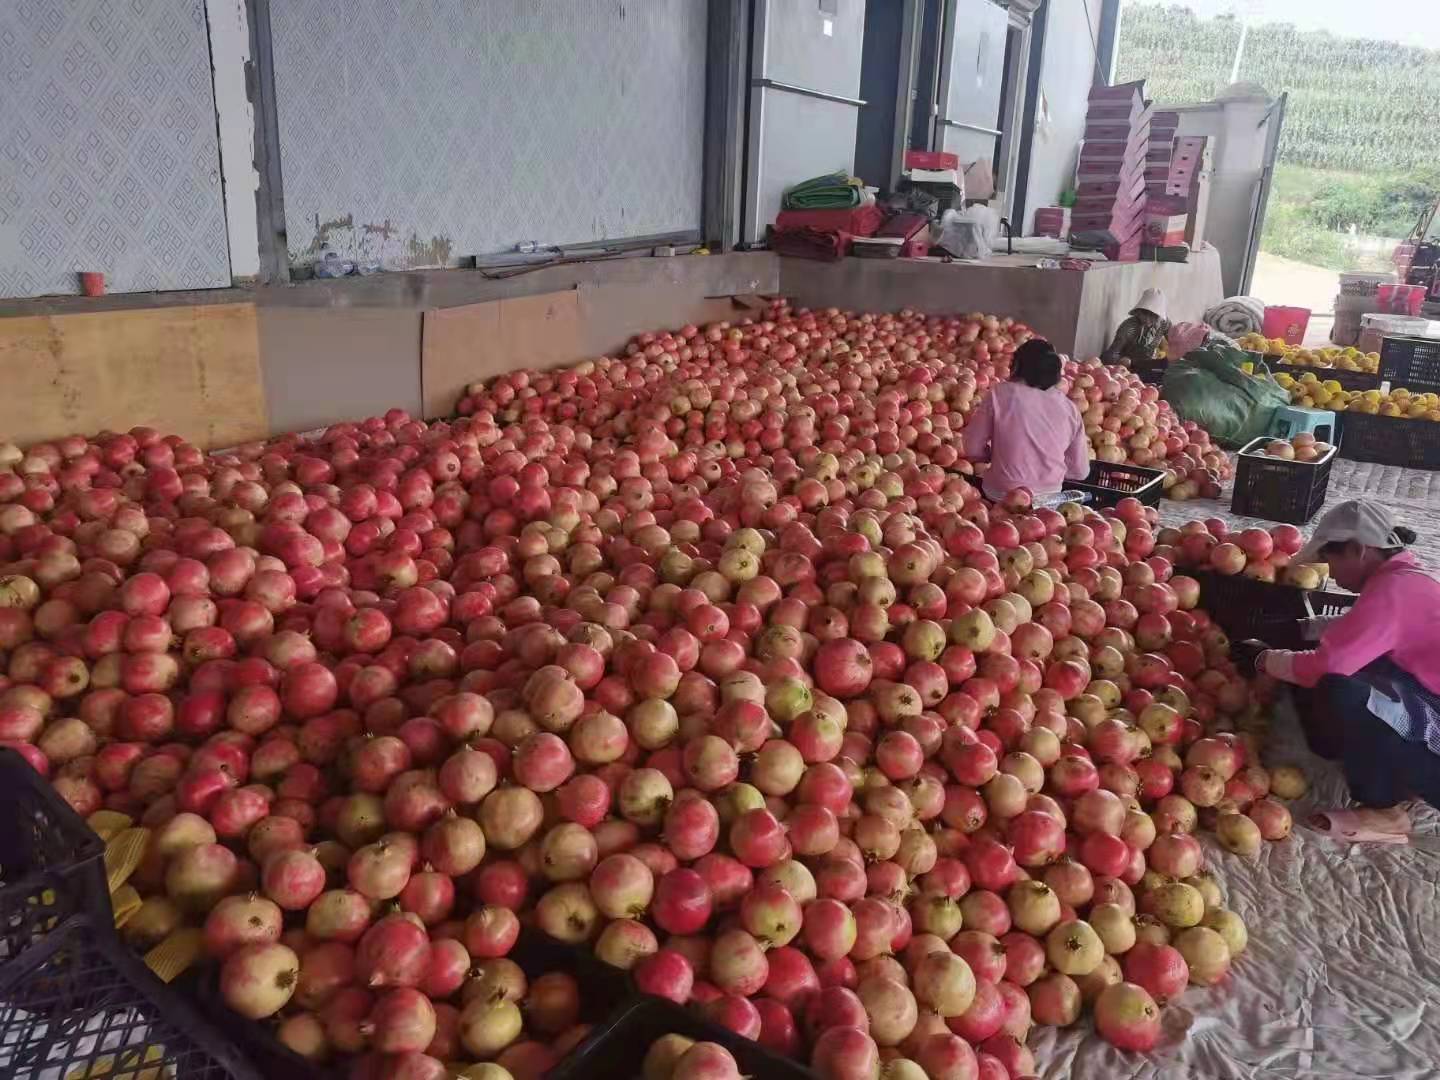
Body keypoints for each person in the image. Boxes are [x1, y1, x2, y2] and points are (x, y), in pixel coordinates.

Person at [1257, 500, 1440, 816]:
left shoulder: (1393, 590)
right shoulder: (1406, 578)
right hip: (1428, 695)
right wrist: (1302, 628)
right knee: (1342, 668)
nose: (1330, 573)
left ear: (1358, 549)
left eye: (1330, 560)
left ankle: (1384, 807)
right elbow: (1362, 626)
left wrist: (1263, 659)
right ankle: (1401, 773)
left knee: (1339, 687)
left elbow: (1327, 666)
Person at [963, 339, 1090, 503]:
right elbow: (1080, 472)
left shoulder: (1000, 394)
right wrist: (1049, 471)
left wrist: (987, 456)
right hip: (1048, 499)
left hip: (1001, 494)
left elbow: (972, 446)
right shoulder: (1070, 409)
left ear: (1016, 366)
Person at [1101, 288, 1170, 366]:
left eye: (1154, 316)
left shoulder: (1164, 324)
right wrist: (1121, 361)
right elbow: (1109, 356)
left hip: (1150, 365)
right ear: (1139, 312)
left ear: (1160, 317)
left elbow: (1175, 342)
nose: (1148, 319)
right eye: (1145, 313)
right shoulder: (1128, 328)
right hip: (1129, 368)